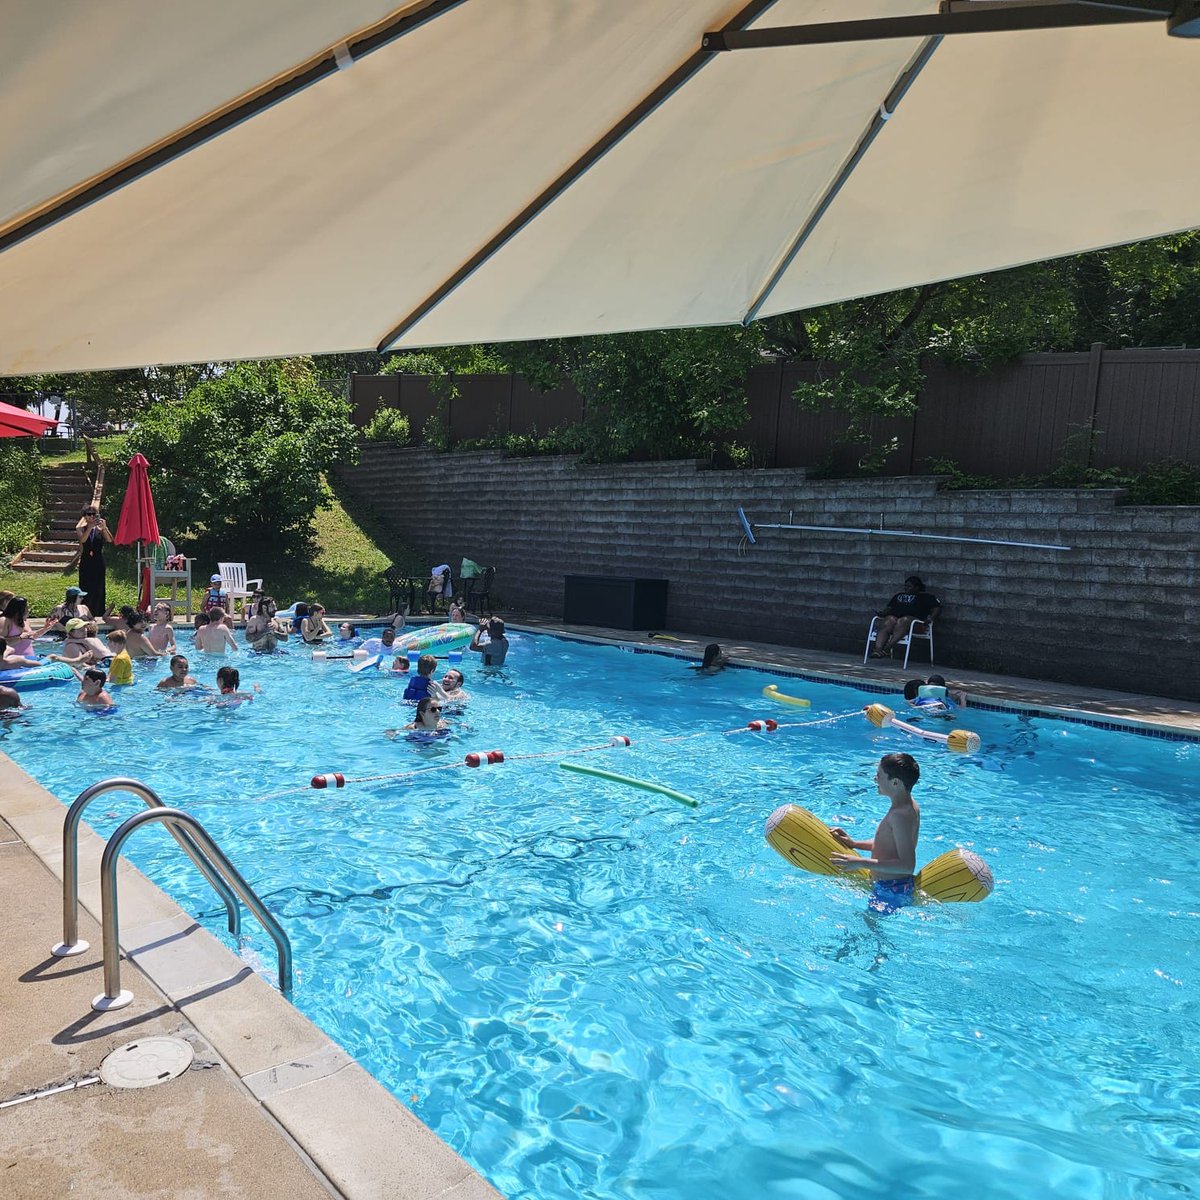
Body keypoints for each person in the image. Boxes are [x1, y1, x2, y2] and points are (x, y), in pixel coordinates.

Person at [830, 753, 922, 914]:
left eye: (879, 775)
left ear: (895, 783)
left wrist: (860, 862)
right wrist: (854, 844)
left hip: (891, 890)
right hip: (889, 885)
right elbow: (888, 844)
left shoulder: (900, 815)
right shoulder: (907, 807)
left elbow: (907, 866)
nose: (875, 779)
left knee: (867, 933)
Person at [870, 575, 941, 658]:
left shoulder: (926, 597)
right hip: (895, 623)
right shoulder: (898, 596)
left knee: (904, 620)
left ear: (917, 587)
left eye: (909, 586)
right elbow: (889, 608)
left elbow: (937, 608)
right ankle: (878, 650)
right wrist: (882, 613)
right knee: (889, 619)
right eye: (905, 586)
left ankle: (887, 648)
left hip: (916, 624)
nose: (906, 588)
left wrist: (931, 618)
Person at [76, 504, 114, 616]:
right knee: (85, 585)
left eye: (94, 514)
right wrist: (90, 528)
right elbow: (83, 540)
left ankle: (99, 612)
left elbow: (110, 540)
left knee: (99, 587)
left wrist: (104, 528)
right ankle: (85, 611)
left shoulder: (100, 529)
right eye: (89, 514)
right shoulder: (80, 529)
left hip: (98, 560)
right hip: (86, 560)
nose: (92, 516)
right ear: (84, 517)